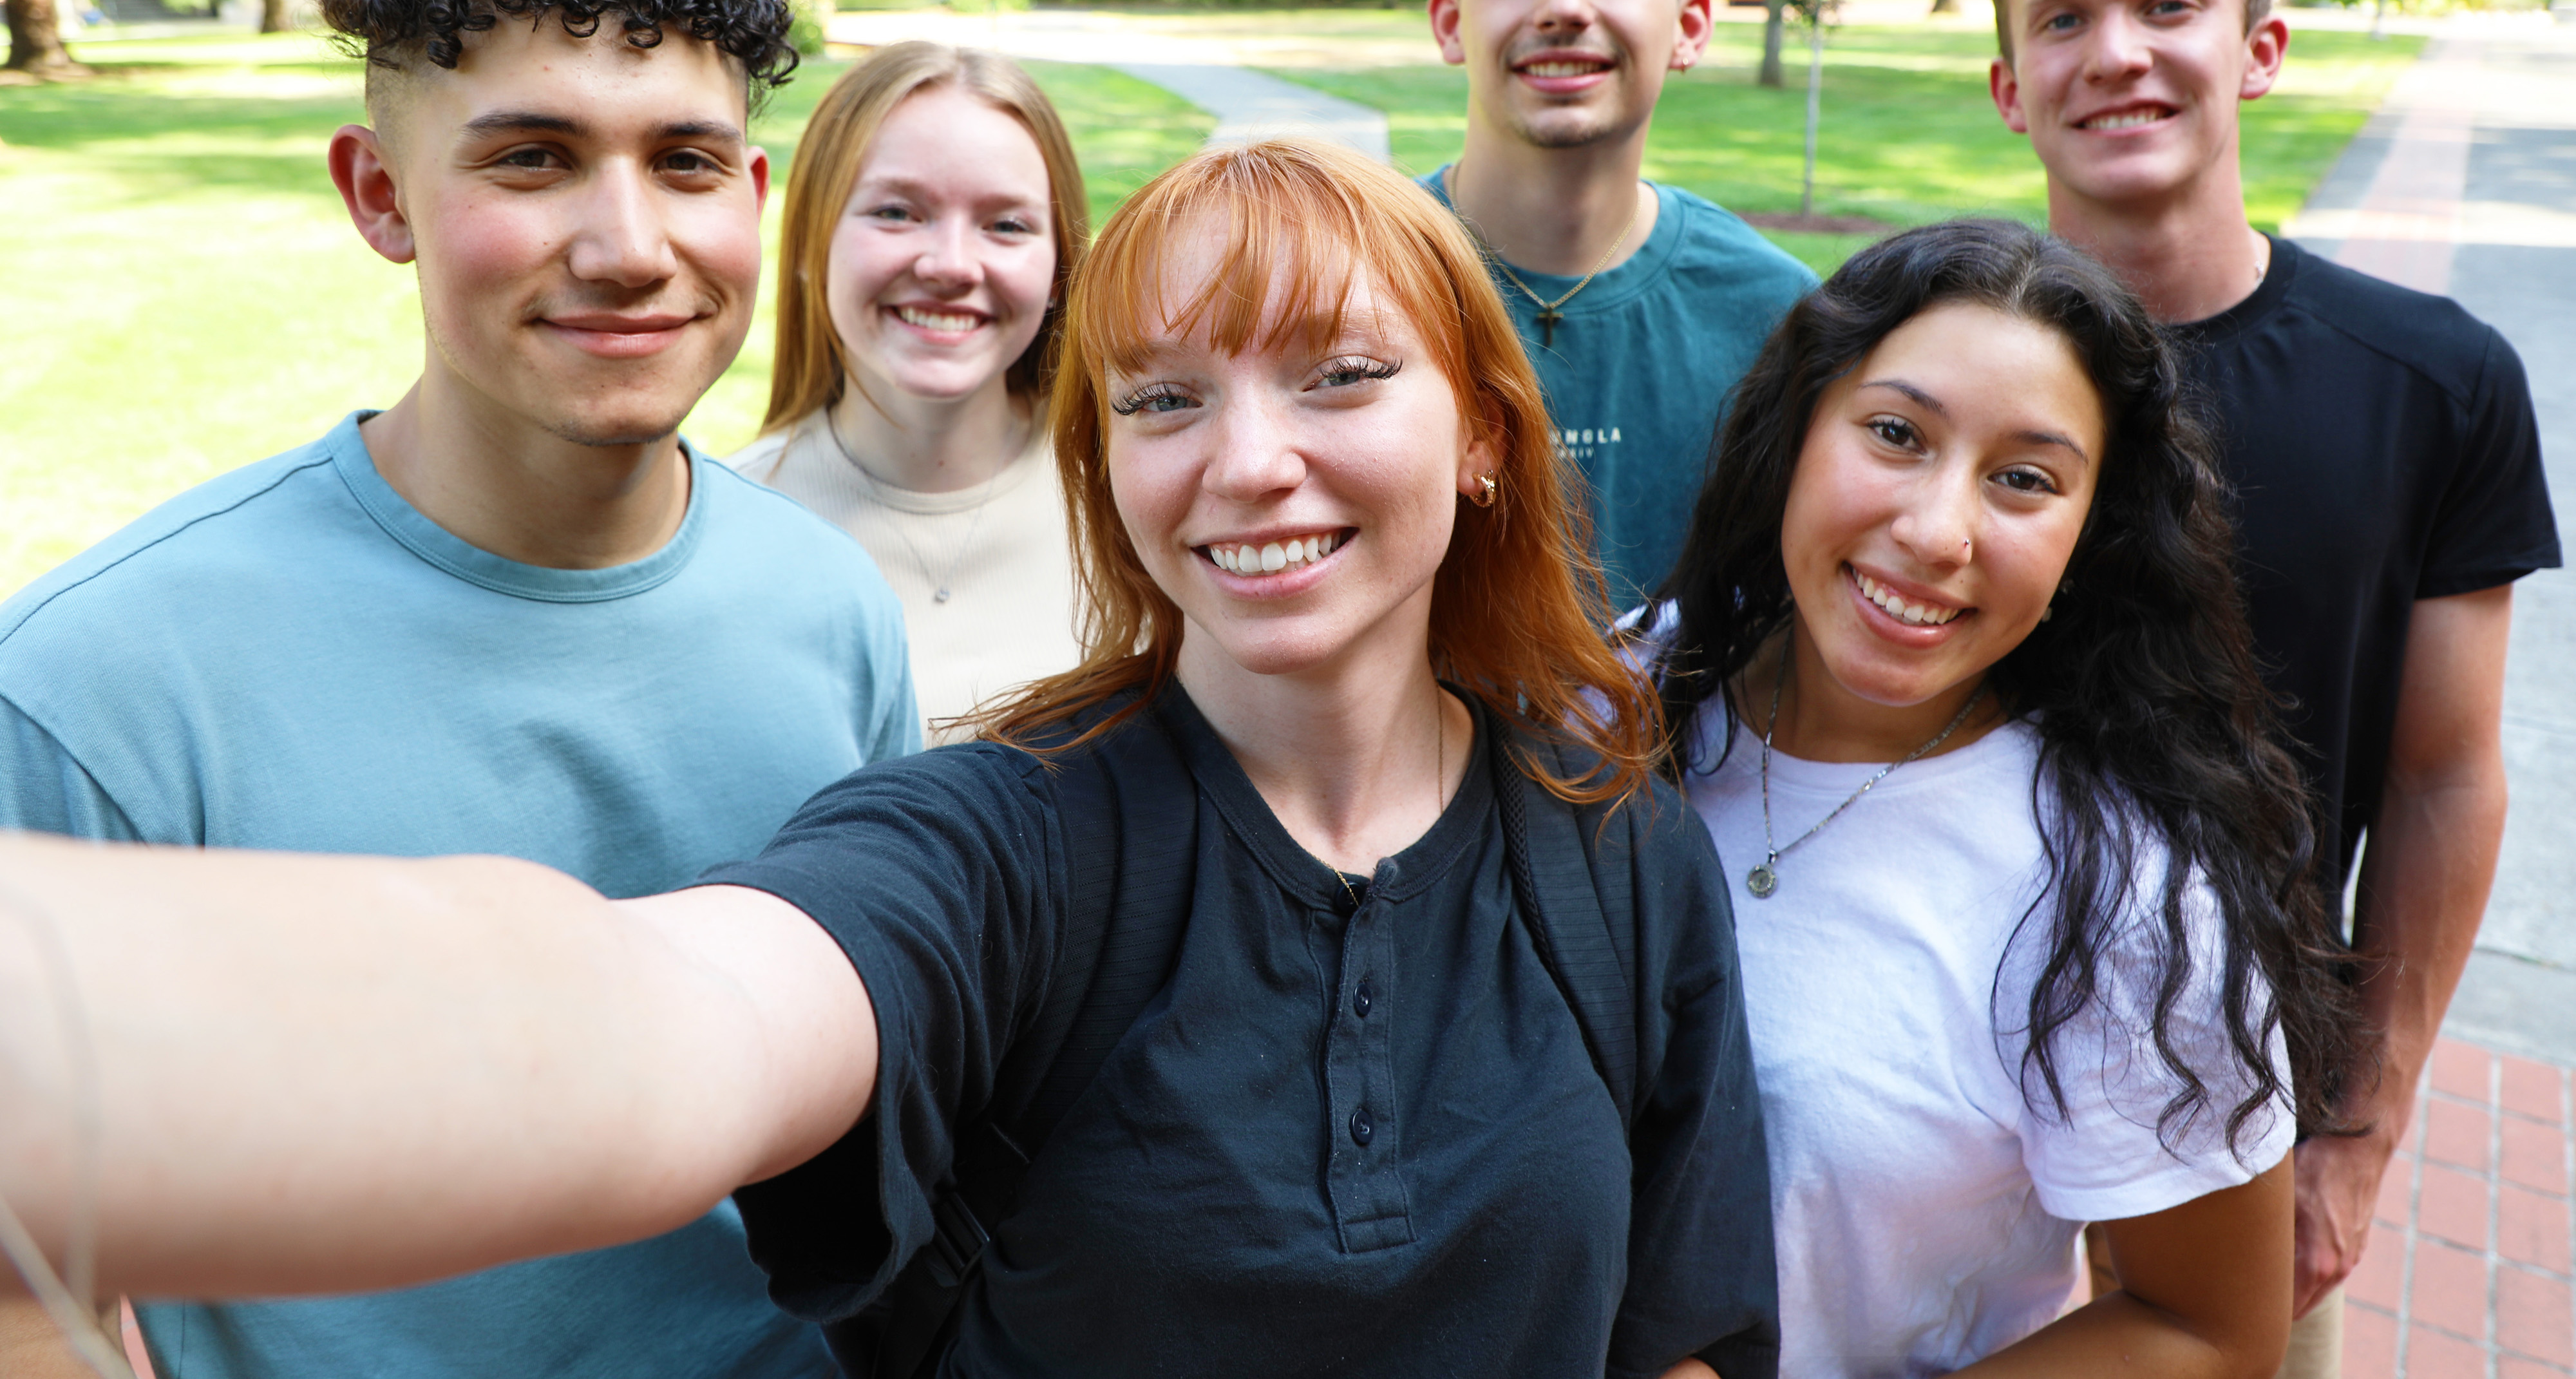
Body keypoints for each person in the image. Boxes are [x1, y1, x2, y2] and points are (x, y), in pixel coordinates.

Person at [0, 140, 1781, 1379]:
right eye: (1163, 398)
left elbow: (1678, 1329)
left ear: (1479, 434)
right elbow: (685, 1020)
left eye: (1336, 376)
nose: (1245, 461)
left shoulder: (1614, 846)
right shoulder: (1005, 843)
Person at [0, 0, 917, 1379]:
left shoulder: (825, 604)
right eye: (533, 159)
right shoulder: (100, 682)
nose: (628, 247)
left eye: (686, 162)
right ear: (382, 196)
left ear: (753, 197)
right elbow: (30, 1281)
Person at [1984, 0, 2560, 1374]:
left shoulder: (2432, 382)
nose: (2115, 52)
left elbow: (2442, 777)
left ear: (2258, 49)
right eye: (2063, 17)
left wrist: (2357, 1132)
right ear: (2007, 86)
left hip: (2239, 1117)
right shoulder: (1921, 374)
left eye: (2168, 3)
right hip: (1932, 1105)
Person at [1649, 218, 2353, 1376]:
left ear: (2091, 533)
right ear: (1797, 432)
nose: (1935, 532)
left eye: (2025, 479)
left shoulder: (2120, 894)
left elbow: (2209, 1328)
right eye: (1895, 433)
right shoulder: (1627, 695)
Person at [1421, 0, 1816, 610]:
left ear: (1690, 26)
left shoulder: (1781, 320)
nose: (1564, 6)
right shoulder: (1357, 282)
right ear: (1451, 23)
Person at [732, 44, 1086, 739]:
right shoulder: (730, 534)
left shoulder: (1131, 494)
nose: (951, 265)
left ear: (1058, 271)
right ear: (811, 246)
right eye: (897, 212)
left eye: (1006, 225)